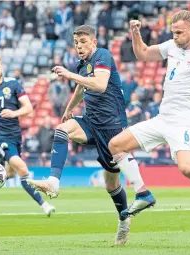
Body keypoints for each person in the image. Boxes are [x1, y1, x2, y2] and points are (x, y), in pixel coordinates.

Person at [28, 25, 146, 245]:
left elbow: (100, 85)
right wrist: (69, 108)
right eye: (76, 43)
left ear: (94, 41)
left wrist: (69, 74)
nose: (79, 46)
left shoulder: (103, 55)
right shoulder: (82, 65)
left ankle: (124, 220)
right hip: (91, 121)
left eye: (83, 42)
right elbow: (81, 88)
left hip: (112, 127)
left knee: (110, 182)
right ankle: (54, 181)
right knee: (62, 130)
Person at [108, 10, 190, 217]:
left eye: (179, 33)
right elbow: (142, 53)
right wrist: (135, 33)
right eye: (173, 32)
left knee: (188, 169)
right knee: (115, 145)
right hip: (163, 118)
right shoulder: (171, 46)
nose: (175, 36)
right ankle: (142, 194)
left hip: (184, 122)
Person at [0, 56, 55, 217]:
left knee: (9, 174)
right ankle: (44, 205)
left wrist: (13, 113)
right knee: (23, 169)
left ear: (1, 68)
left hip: (16, 137)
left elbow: (28, 108)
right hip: (0, 139)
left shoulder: (13, 85)